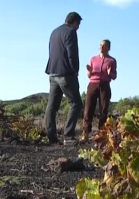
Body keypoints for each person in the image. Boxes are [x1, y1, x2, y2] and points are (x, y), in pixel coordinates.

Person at [44, 12, 83, 145]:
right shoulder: (71, 32)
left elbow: (51, 51)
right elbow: (72, 53)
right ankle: (68, 136)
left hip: (53, 73)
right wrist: (75, 70)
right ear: (75, 22)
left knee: (52, 106)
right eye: (79, 24)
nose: (78, 27)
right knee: (76, 103)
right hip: (66, 73)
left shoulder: (54, 32)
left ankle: (51, 137)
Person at [81, 39, 117, 142]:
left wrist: (110, 73)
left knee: (103, 110)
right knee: (88, 109)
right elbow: (89, 75)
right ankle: (85, 133)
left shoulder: (112, 61)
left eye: (104, 46)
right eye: (100, 45)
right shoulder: (93, 59)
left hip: (105, 85)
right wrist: (89, 71)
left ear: (108, 48)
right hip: (93, 84)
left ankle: (101, 134)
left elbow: (114, 76)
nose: (101, 47)